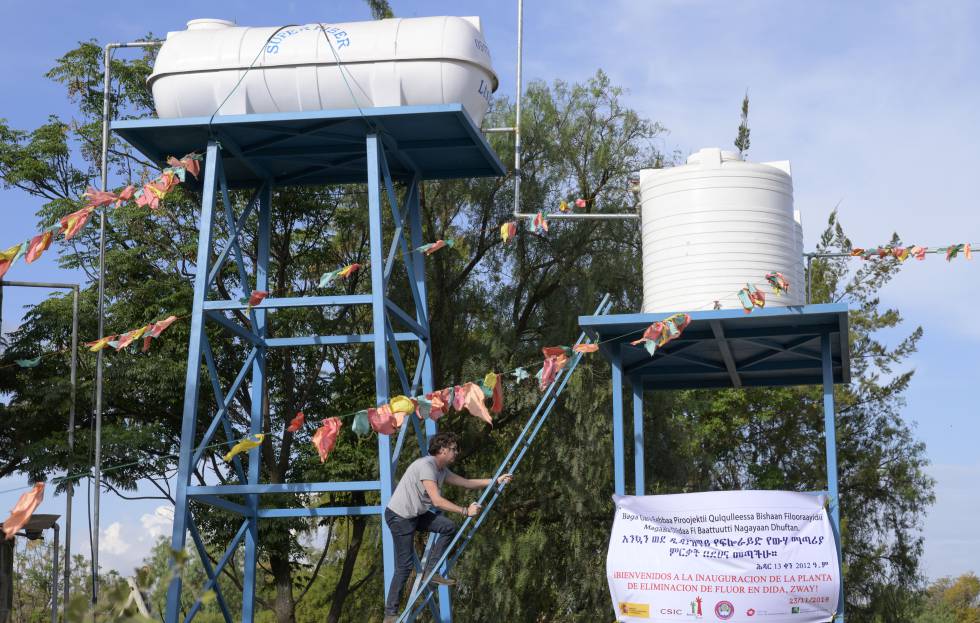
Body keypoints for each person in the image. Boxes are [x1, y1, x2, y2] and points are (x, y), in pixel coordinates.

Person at [383, 431, 513, 622]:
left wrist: (495, 481)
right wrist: (464, 511)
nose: (456, 452)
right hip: (400, 516)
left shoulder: (441, 469)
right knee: (405, 565)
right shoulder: (427, 466)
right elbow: (436, 501)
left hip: (415, 514)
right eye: (453, 449)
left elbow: (467, 483)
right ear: (442, 450)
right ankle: (390, 614)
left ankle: (431, 571)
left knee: (448, 527)